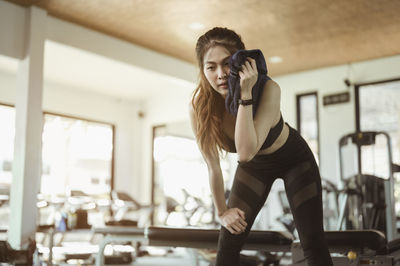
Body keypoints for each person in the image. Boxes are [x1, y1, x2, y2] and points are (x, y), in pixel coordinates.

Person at [189, 27, 333, 266]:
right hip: (256, 168)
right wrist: (222, 211)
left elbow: (245, 152)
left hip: (294, 160)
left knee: (312, 243)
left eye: (227, 64)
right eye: (211, 67)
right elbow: (213, 167)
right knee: (228, 243)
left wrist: (245, 92)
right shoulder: (199, 108)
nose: (221, 74)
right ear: (202, 70)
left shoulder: (269, 89)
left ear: (242, 62)